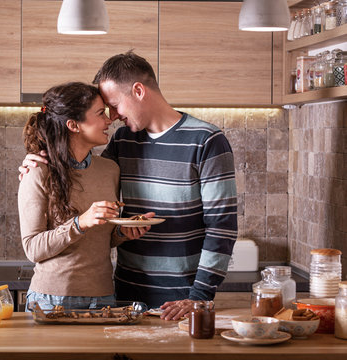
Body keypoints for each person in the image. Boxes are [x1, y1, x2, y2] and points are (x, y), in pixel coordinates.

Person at [19, 52, 238, 320]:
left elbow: (222, 227)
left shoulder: (207, 141)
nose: (111, 117)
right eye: (104, 111)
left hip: (182, 298)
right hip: (123, 297)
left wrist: (199, 297)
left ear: (138, 91)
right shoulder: (123, 141)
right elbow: (83, 177)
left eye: (112, 105)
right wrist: (38, 162)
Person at [18, 81, 149, 311]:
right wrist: (79, 223)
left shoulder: (110, 170)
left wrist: (123, 232)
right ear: (73, 125)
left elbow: (101, 239)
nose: (109, 120)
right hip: (52, 301)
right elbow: (33, 248)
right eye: (100, 113)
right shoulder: (37, 171)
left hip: (103, 299)